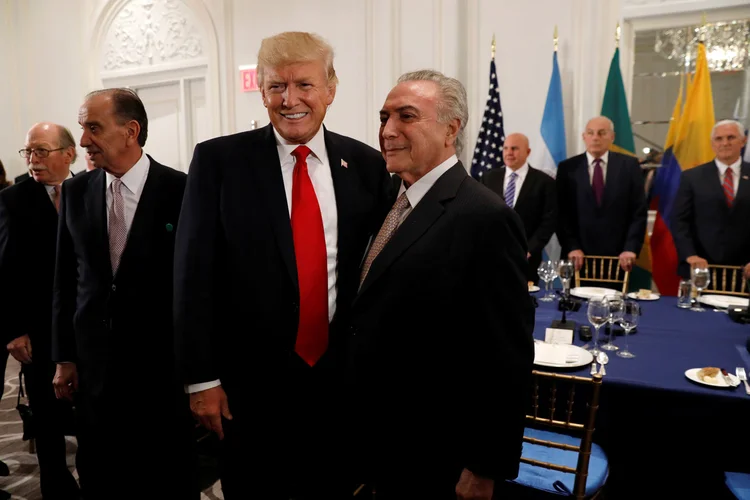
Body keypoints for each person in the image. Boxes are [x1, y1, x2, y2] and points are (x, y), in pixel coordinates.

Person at [173, 31, 391, 499]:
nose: (289, 100)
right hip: (247, 391)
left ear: (331, 88)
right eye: (276, 86)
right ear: (262, 90)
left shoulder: (367, 165)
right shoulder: (218, 162)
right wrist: (202, 379)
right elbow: (192, 277)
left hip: (338, 385)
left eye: (304, 85)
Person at [345, 70, 534, 500]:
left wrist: (485, 466)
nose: (387, 130)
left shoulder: (485, 217)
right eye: (384, 117)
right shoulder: (387, 201)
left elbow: (506, 356)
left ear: (452, 128)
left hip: (436, 455)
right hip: (375, 440)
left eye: (406, 116)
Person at [51, 88, 196, 499]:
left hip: (161, 372)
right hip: (95, 371)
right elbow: (65, 279)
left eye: (93, 128)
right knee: (100, 474)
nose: (82, 141)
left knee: (164, 476)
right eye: (82, 128)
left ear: (131, 131)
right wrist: (64, 356)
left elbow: (199, 286)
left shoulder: (182, 191)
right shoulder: (76, 192)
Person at [0, 123, 80, 500]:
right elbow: (5, 269)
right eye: (29, 152)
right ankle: (55, 488)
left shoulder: (90, 189)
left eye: (42, 151)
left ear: (69, 154)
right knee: (47, 417)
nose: (33, 159)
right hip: (39, 328)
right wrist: (14, 330)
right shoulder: (14, 200)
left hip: (86, 326)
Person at [556, 116, 647, 272]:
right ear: (584, 137)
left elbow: (638, 212)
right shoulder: (567, 168)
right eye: (590, 133)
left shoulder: (629, 166)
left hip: (619, 258)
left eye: (601, 133)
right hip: (578, 257)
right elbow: (561, 213)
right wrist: (571, 246)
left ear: (612, 137)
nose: (595, 138)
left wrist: (630, 248)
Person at [672, 119, 750, 280]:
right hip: (702, 267)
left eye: (731, 137)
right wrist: (690, 255)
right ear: (712, 143)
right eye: (719, 139)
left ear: (743, 141)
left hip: (745, 271)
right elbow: (680, 221)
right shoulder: (691, 177)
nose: (725, 143)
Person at [481, 132, 557, 284]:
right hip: (492, 256)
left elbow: (549, 221)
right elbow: (480, 214)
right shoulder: (488, 178)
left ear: (528, 152)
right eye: (506, 148)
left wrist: (529, 249)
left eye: (514, 148)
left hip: (527, 259)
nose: (509, 153)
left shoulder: (544, 182)